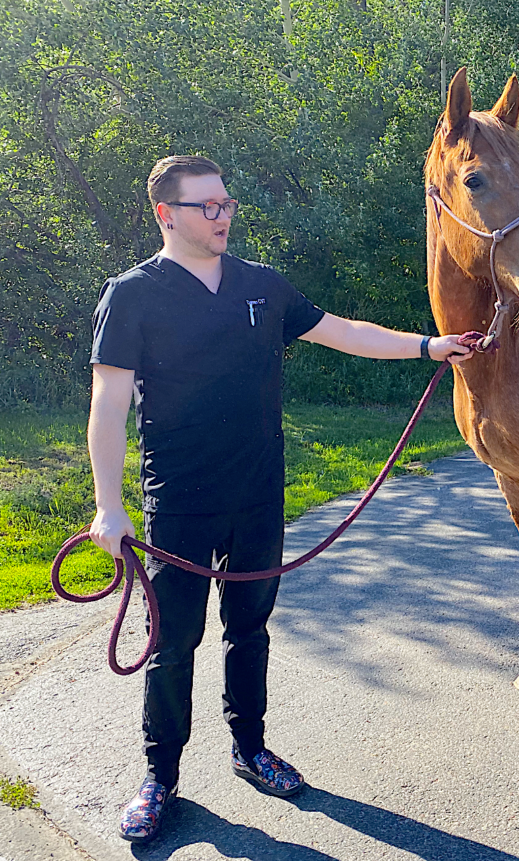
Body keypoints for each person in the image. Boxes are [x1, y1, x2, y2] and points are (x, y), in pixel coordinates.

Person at [88, 155, 471, 842]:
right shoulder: (133, 295)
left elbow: (342, 331)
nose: (223, 215)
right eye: (207, 205)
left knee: (249, 630)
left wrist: (428, 345)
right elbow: (108, 404)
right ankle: (160, 778)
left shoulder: (261, 285)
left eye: (227, 202)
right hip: (178, 502)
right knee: (174, 643)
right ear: (165, 214)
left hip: (260, 494)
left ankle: (251, 750)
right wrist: (107, 507)